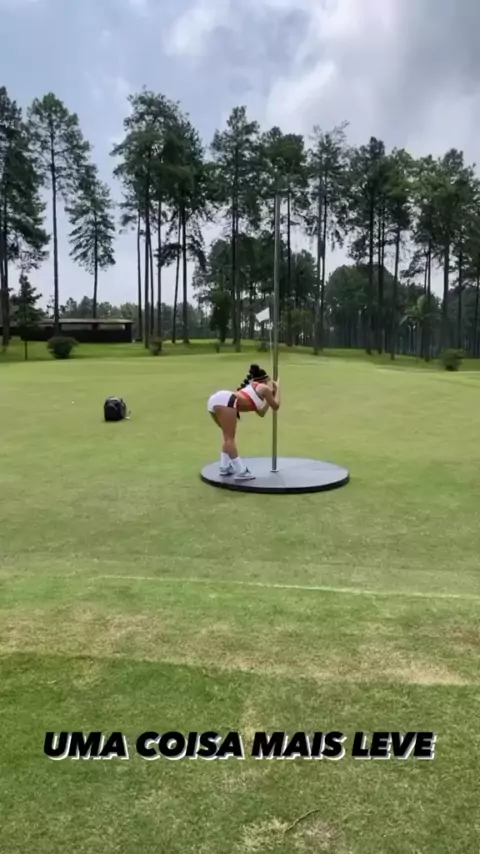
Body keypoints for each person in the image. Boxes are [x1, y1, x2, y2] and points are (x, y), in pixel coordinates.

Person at [206, 364, 281, 480]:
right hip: (225, 401)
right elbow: (276, 406)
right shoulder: (264, 388)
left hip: (216, 401)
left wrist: (271, 396)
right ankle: (241, 471)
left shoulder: (252, 390)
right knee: (229, 438)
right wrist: (278, 388)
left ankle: (225, 467)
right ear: (265, 380)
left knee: (227, 437)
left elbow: (261, 412)